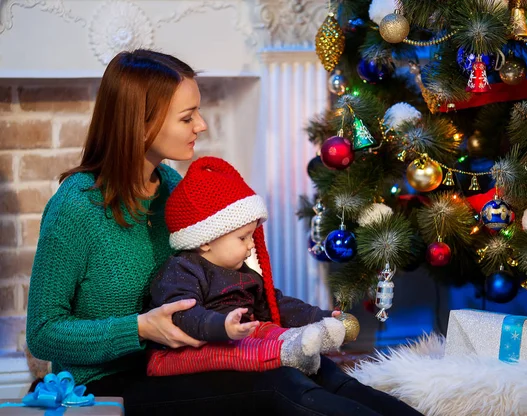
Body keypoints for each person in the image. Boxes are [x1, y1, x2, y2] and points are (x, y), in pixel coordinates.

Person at [26, 49, 423, 416]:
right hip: (108, 383)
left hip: (188, 357)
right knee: (276, 385)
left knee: (322, 372)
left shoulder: (169, 186)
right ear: (140, 123)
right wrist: (140, 327)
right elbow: (43, 333)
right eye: (187, 117)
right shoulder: (76, 207)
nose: (201, 125)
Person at [146, 156, 346, 377]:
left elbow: (274, 305)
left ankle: (309, 338)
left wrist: (320, 316)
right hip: (188, 351)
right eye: (243, 238)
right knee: (239, 349)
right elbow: (182, 315)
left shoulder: (243, 273)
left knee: (268, 330)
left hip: (240, 337)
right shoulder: (182, 270)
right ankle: (287, 352)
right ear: (205, 240)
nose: (252, 244)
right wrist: (222, 326)